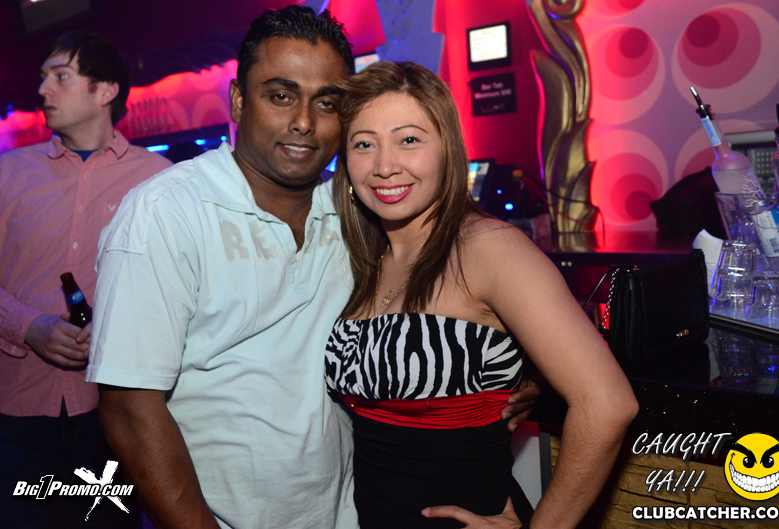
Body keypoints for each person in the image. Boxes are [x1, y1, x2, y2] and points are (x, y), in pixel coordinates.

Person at [86, 7, 536, 529]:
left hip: (352, 515)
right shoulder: (167, 213)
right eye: (280, 96)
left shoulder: (355, 213)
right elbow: (128, 410)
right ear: (238, 99)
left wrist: (528, 369)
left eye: (326, 103)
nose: (303, 121)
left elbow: (460, 300)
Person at [325, 61, 639, 529]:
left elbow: (608, 403)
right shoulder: (365, 257)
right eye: (364, 144)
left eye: (408, 140)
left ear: (447, 150)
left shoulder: (488, 248)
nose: (384, 166)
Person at [0, 31, 173, 528]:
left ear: (105, 90)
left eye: (61, 77)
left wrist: (123, 329)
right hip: (16, 410)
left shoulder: (160, 181)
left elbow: (179, 291)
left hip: (115, 412)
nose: (43, 90)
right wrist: (27, 326)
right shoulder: (9, 173)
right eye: (43, 77)